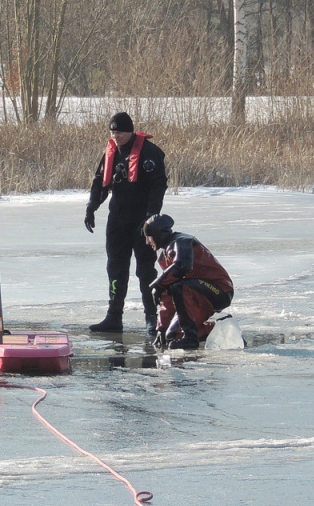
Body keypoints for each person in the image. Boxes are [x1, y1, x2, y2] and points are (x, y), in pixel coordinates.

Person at [85, 112, 168, 334]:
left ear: (130, 131)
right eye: (113, 133)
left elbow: (159, 185)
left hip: (142, 221)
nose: (116, 136)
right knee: (115, 267)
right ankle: (114, 317)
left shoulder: (149, 153)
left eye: (119, 132)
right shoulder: (111, 151)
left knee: (145, 270)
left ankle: (152, 317)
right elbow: (99, 182)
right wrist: (92, 207)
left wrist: (152, 215)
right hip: (118, 220)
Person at [143, 214, 234, 350]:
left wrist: (158, 284)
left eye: (148, 237)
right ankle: (220, 326)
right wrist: (161, 328)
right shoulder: (164, 258)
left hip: (219, 291)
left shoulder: (182, 241)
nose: (147, 242)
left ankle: (190, 339)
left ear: (158, 234)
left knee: (180, 285)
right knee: (172, 335)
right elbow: (168, 295)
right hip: (195, 293)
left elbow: (182, 266)